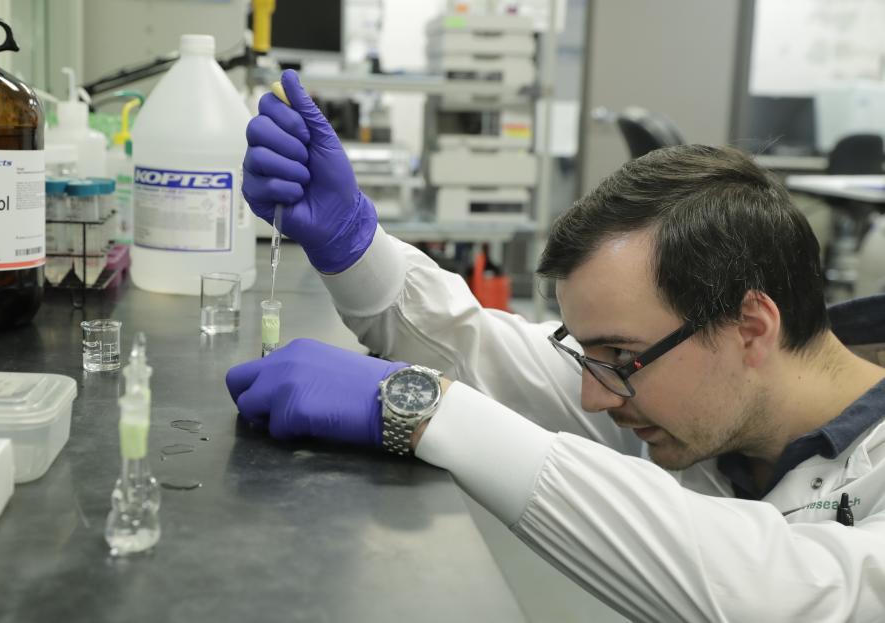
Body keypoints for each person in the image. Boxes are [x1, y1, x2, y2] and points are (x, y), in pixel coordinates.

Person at [227, 70, 885, 621]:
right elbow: (475, 345)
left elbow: (788, 589)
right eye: (587, 352)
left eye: (619, 357)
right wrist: (352, 243)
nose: (593, 396)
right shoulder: (708, 402)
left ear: (750, 327)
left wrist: (423, 406)